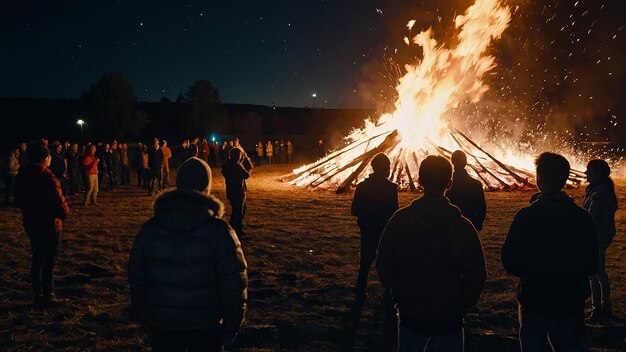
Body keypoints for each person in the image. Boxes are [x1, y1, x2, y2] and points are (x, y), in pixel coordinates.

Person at [128, 157, 248, 352]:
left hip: (163, 326)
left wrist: (144, 318)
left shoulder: (150, 230)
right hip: (205, 327)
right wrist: (231, 326)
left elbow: (137, 279)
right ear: (206, 187)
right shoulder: (219, 232)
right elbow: (234, 285)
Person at [376, 155, 486, 351]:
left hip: (411, 311)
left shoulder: (400, 220)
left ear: (419, 181)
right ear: (449, 184)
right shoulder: (463, 227)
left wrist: (399, 291)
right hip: (449, 314)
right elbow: (476, 273)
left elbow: (383, 261)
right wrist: (462, 304)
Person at [501, 152, 598, 351]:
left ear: (539, 179)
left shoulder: (527, 217)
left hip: (535, 299)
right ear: (564, 179)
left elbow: (510, 260)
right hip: (571, 300)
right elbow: (592, 264)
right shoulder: (583, 218)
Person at [13, 144, 70, 307]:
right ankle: (49, 294)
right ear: (45, 158)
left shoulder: (22, 175)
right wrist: (65, 211)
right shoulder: (47, 176)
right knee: (50, 260)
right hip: (49, 225)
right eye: (49, 156)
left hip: (31, 223)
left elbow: (18, 199)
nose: (51, 158)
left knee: (37, 258)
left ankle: (38, 293)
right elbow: (58, 203)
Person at [351, 153, 398, 300]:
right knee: (387, 260)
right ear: (384, 169)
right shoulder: (391, 188)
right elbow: (394, 211)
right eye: (388, 166)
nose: (389, 169)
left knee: (365, 261)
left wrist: (367, 215)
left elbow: (354, 210)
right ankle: (388, 291)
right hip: (384, 230)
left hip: (368, 228)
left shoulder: (362, 187)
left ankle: (360, 289)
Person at [583, 159, 618, 322]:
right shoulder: (602, 189)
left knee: (595, 274)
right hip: (603, 236)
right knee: (599, 272)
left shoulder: (599, 193)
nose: (585, 173)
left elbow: (591, 219)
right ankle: (604, 306)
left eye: (589, 170)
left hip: (597, 237)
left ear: (598, 173)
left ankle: (598, 309)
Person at [445, 150, 487, 231]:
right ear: (465, 162)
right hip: (471, 226)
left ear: (452, 162)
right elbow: (481, 208)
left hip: (451, 228)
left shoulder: (447, 186)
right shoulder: (476, 184)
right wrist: (478, 224)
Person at [221, 148, 252, 237]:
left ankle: (230, 228)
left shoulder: (227, 165)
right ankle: (238, 231)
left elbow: (225, 169)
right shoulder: (237, 166)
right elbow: (246, 175)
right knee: (239, 212)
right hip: (238, 192)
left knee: (236, 210)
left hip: (230, 192)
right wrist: (245, 161)